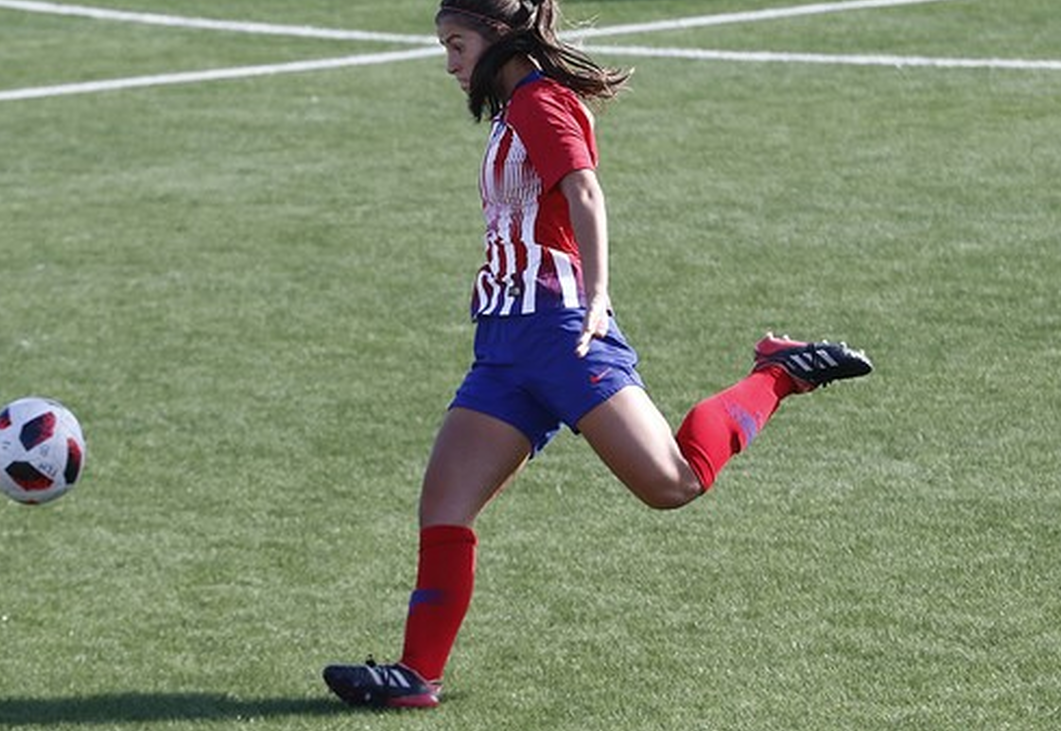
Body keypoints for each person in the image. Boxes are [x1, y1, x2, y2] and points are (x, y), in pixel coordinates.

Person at [323, 0, 872, 709]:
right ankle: (415, 676)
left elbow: (584, 189)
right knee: (445, 504)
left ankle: (778, 373)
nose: (451, 63)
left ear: (497, 37)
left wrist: (597, 293)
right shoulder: (511, 110)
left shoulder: (541, 103)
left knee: (673, 482)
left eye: (456, 45)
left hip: (560, 333)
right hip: (503, 344)